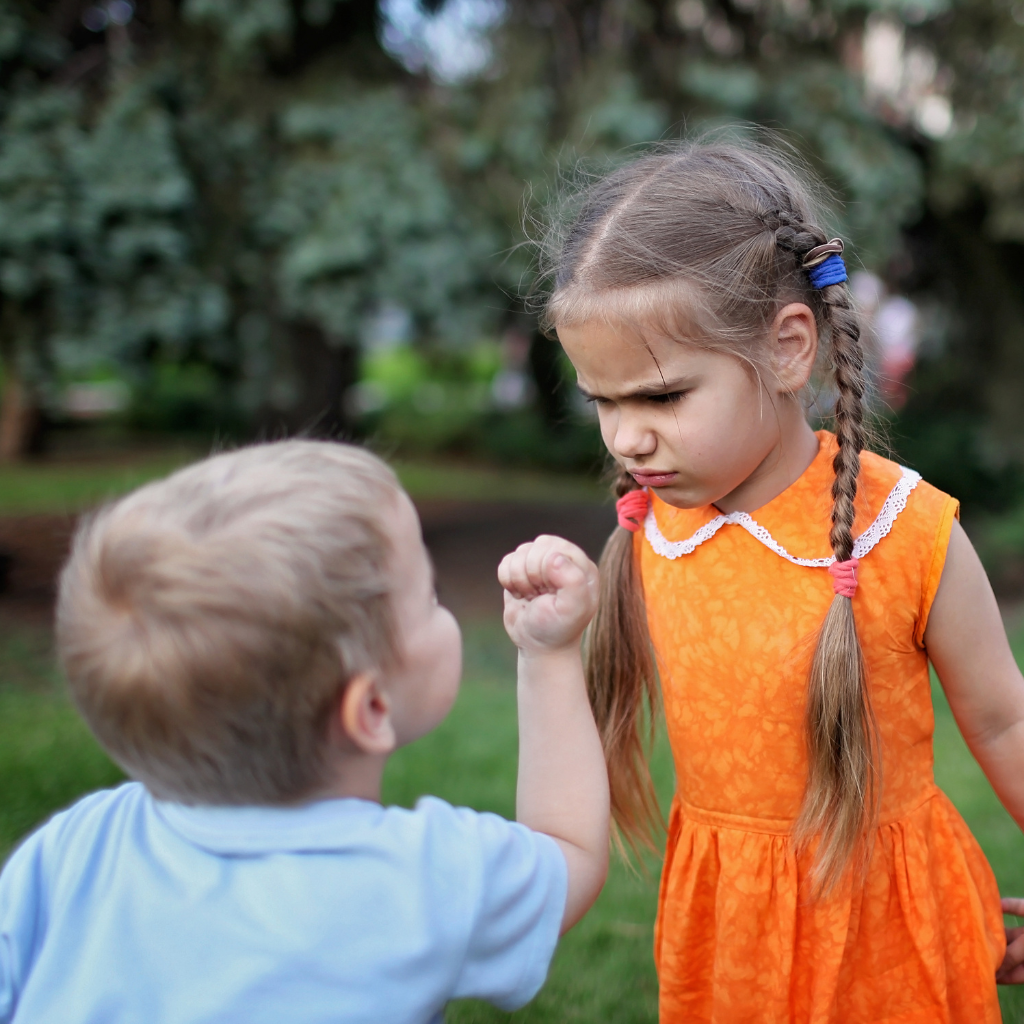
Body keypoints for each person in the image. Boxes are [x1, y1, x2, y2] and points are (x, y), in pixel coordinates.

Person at [542, 140, 1024, 1023]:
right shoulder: (654, 529)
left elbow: (1005, 718)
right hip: (730, 932)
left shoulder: (903, 531)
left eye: (660, 397)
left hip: (894, 930)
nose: (626, 439)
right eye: (603, 402)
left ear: (787, 349)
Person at [0, 440, 608, 1024]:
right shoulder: (425, 879)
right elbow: (570, 852)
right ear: (369, 709)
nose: (439, 602)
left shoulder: (77, 846)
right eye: (430, 595)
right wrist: (548, 656)